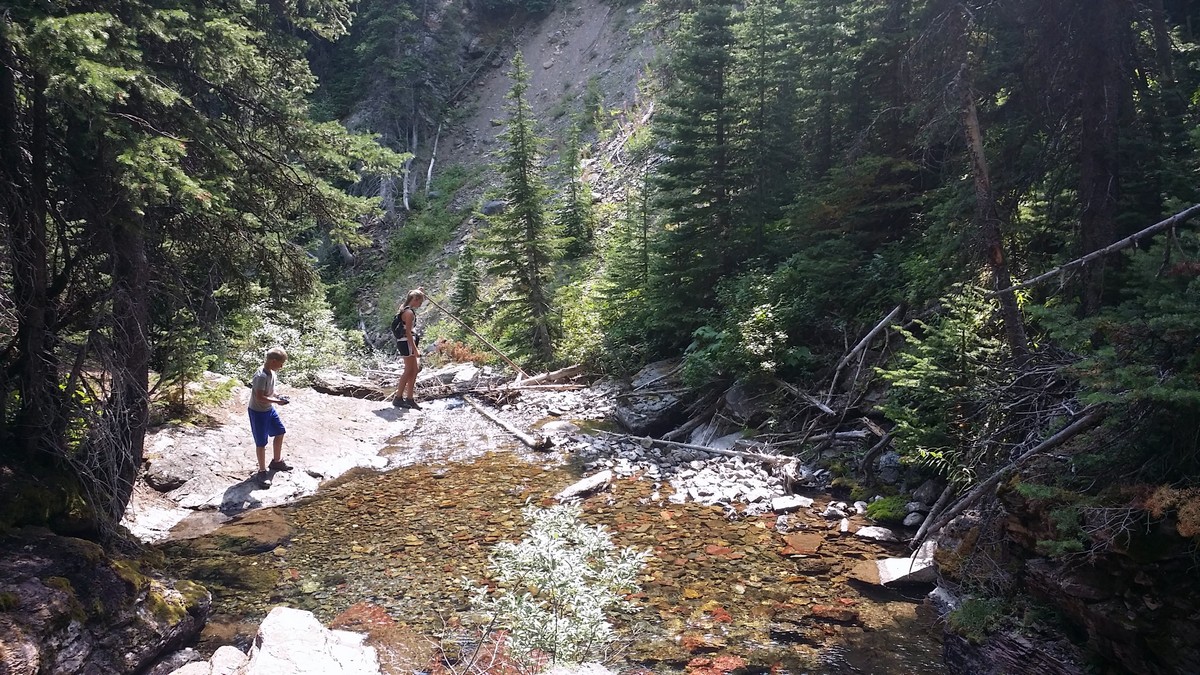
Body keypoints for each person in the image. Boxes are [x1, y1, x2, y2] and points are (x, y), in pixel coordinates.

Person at [248, 346, 292, 487]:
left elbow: (270, 391)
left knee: (280, 432)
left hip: (268, 409)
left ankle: (276, 462)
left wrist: (278, 396)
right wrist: (278, 402)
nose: (282, 366)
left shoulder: (272, 373)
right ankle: (261, 472)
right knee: (261, 443)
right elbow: (260, 397)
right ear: (273, 361)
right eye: (281, 363)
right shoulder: (261, 376)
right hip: (258, 412)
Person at [393, 288, 425, 409]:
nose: (420, 304)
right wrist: (415, 349)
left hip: (407, 342)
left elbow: (412, 293)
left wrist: (419, 290)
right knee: (409, 370)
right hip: (407, 342)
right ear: (415, 300)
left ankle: (410, 398)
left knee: (415, 369)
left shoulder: (404, 307)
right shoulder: (409, 313)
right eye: (420, 302)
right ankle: (398, 398)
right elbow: (407, 332)